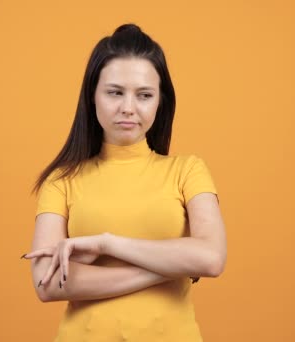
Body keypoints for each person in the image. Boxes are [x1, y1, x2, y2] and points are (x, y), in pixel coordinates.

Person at [22, 23, 227, 342]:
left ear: (161, 102)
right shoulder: (62, 180)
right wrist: (169, 266)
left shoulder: (188, 171)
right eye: (115, 92)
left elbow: (211, 258)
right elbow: (47, 284)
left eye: (144, 95)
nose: (128, 108)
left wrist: (106, 244)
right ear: (92, 96)